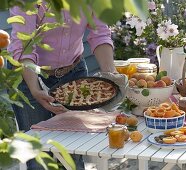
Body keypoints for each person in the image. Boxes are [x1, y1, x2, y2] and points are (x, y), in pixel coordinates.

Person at [8, 2, 116, 169]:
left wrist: (112, 76)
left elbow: (100, 33)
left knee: (74, 155)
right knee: (39, 156)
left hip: (73, 71)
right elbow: (24, 46)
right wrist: (35, 89)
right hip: (28, 75)